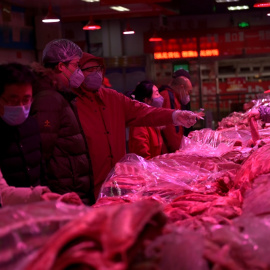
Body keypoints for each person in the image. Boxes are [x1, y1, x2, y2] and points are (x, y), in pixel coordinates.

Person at [74, 52, 204, 199]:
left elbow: (144, 112)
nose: (95, 74)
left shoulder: (113, 98)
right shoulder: (72, 103)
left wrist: (174, 116)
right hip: (87, 187)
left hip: (117, 183)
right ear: (77, 74)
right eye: (89, 70)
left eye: (97, 69)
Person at [0, 63, 82, 206]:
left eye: (26, 99)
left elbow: (41, 168)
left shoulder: (31, 124)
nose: (20, 105)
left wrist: (49, 196)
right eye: (12, 99)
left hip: (35, 208)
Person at [30, 39, 95, 205]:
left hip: (71, 190)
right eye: (76, 65)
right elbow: (41, 153)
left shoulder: (60, 95)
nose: (79, 71)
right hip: (64, 194)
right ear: (61, 66)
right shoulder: (49, 99)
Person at [159, 69, 195, 153]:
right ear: (181, 87)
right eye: (188, 92)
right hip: (168, 151)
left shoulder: (175, 98)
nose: (188, 95)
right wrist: (177, 150)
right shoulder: (168, 97)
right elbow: (170, 128)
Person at [128, 80, 166, 159]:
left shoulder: (153, 120)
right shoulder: (140, 123)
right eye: (157, 94)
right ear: (147, 100)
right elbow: (142, 156)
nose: (161, 97)